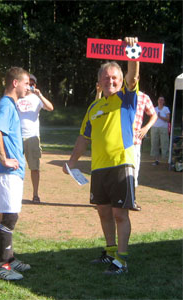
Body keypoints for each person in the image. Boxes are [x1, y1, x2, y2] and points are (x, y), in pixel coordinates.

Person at [63, 37, 140, 275]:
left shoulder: (126, 99)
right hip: (98, 168)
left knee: (119, 214)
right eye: (106, 78)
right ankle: (109, 252)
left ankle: (122, 260)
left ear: (121, 80)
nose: (110, 81)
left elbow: (133, 74)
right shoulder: (93, 108)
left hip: (121, 165)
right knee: (103, 211)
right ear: (99, 82)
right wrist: (72, 163)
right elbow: (83, 138)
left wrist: (132, 51)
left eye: (114, 77)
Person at [0, 67, 31, 281]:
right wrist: (4, 159)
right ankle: (1, 267)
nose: (29, 88)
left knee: (9, 214)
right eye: (26, 84)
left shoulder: (10, 106)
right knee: (10, 216)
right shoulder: (6, 105)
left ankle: (10, 259)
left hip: (12, 172)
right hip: (7, 171)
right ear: (15, 83)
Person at [17, 74, 54, 203]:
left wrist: (40, 95)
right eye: (27, 83)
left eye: (32, 84)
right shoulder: (17, 97)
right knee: (16, 167)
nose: (29, 87)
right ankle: (16, 193)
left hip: (32, 137)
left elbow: (50, 108)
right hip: (17, 137)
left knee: (34, 167)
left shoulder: (36, 98)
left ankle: (35, 194)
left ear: (35, 86)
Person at [132, 91, 157, 210]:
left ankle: (131, 199)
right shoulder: (119, 94)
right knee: (117, 171)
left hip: (135, 141)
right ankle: (115, 201)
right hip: (118, 141)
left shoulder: (143, 97)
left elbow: (154, 115)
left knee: (134, 170)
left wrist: (146, 128)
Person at [150, 96, 170, 165]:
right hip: (154, 128)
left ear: (164, 102)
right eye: (159, 100)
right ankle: (156, 160)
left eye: (162, 100)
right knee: (155, 144)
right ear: (158, 101)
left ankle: (166, 160)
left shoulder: (166, 109)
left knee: (164, 143)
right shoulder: (154, 109)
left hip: (163, 128)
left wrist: (160, 116)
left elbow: (168, 119)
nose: (161, 101)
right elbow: (152, 118)